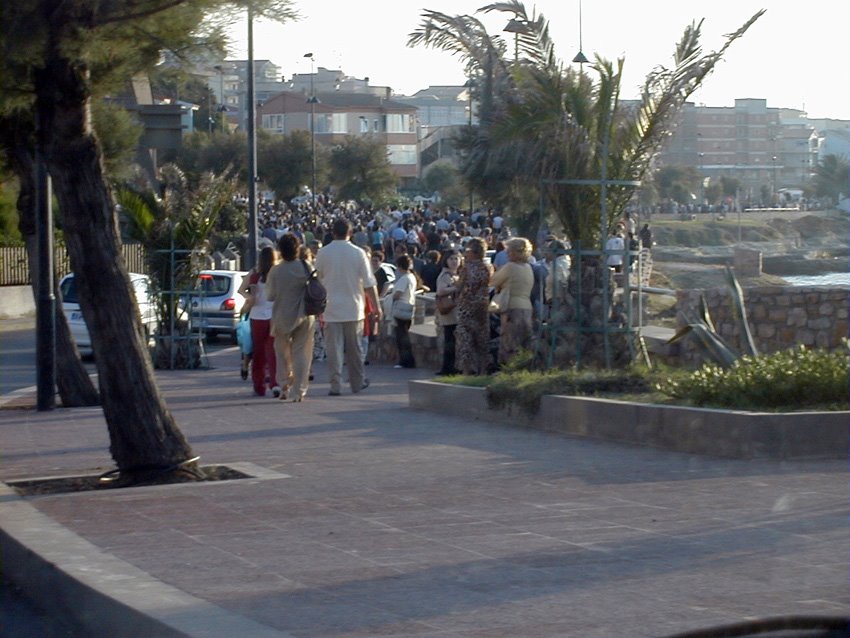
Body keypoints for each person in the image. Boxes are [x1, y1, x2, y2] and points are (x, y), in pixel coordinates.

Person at [314, 218, 382, 396]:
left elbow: (317, 279)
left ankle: (335, 384)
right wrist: (376, 307)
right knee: (355, 349)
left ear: (333, 232)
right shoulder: (358, 253)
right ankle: (357, 382)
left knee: (333, 350)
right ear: (350, 233)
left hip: (330, 308)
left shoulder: (323, 253)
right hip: (354, 307)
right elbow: (369, 284)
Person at [265, 233, 314, 402]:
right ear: (297, 248)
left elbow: (270, 296)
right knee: (302, 353)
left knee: (282, 354)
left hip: (281, 316)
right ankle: (299, 391)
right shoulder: (305, 266)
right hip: (304, 314)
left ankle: (284, 385)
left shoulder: (276, 270)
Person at [489, 237, 534, 365]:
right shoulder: (528, 267)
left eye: (508, 251)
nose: (507, 254)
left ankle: (508, 370)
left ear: (514, 252)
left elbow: (493, 281)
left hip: (511, 307)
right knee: (524, 343)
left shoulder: (510, 267)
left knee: (509, 342)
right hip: (527, 307)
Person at [243, 245, 280, 397]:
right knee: (273, 351)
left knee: (258, 352)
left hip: (257, 316)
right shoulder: (277, 275)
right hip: (273, 316)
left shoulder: (254, 276)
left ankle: (259, 385)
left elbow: (246, 294)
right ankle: (275, 383)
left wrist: (247, 302)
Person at [455, 237, 493, 376]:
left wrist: (455, 283)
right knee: (482, 338)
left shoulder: (468, 267)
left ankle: (466, 370)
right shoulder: (488, 266)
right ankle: (483, 370)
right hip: (482, 304)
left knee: (465, 338)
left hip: (467, 304)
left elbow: (461, 285)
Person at [435, 249, 462, 375]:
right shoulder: (445, 275)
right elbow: (440, 291)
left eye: (456, 258)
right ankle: (448, 367)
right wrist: (456, 287)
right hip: (449, 311)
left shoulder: (455, 274)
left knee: (452, 340)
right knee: (450, 340)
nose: (454, 261)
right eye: (451, 259)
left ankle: (450, 366)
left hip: (454, 311)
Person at [391, 254, 417, 369]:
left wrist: (391, 297)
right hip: (409, 306)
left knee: (401, 336)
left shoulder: (404, 279)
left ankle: (405, 360)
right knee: (404, 335)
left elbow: (398, 294)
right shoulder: (412, 277)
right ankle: (407, 360)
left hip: (401, 307)